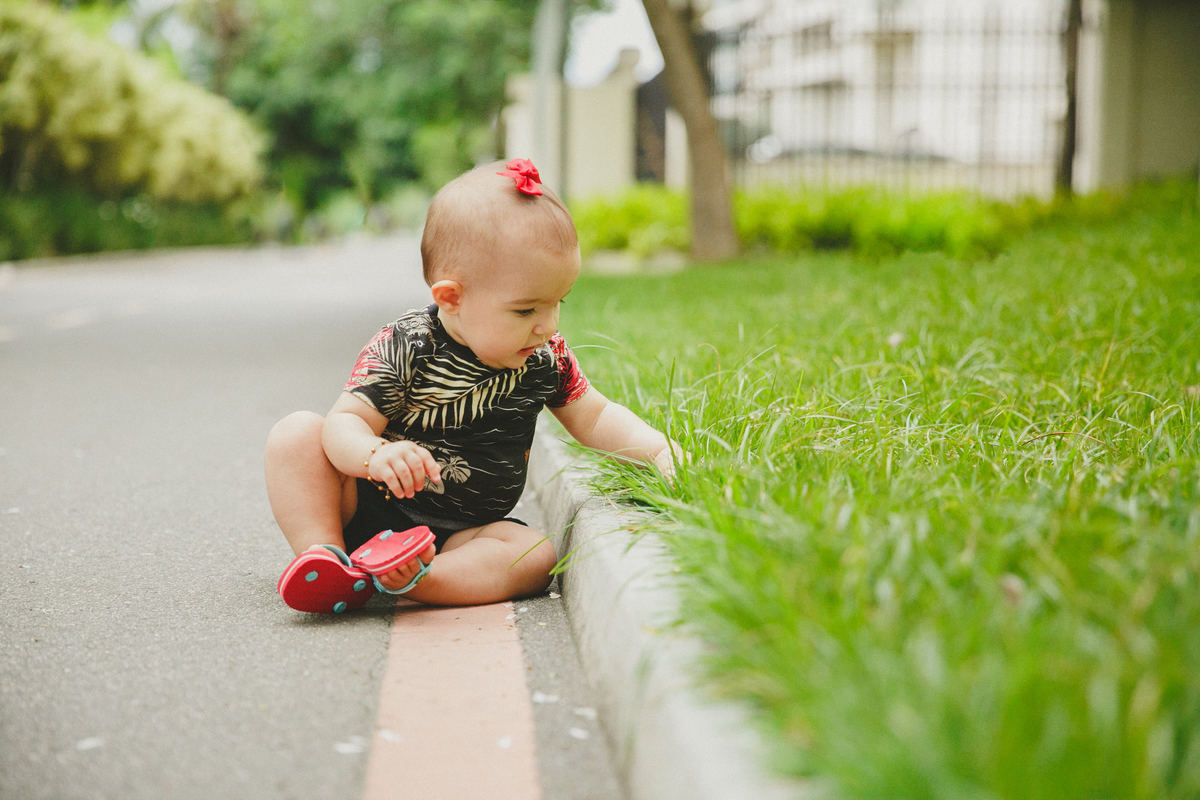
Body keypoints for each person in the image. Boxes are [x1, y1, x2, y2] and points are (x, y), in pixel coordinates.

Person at [264, 159, 679, 611]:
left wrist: (659, 452)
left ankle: (416, 578)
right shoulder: (407, 345)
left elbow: (595, 416)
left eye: (558, 303)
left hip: (461, 536)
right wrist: (376, 455)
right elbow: (343, 423)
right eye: (526, 311)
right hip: (363, 506)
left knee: (534, 555)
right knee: (297, 434)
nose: (547, 325)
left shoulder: (544, 357)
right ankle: (325, 556)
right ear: (451, 298)